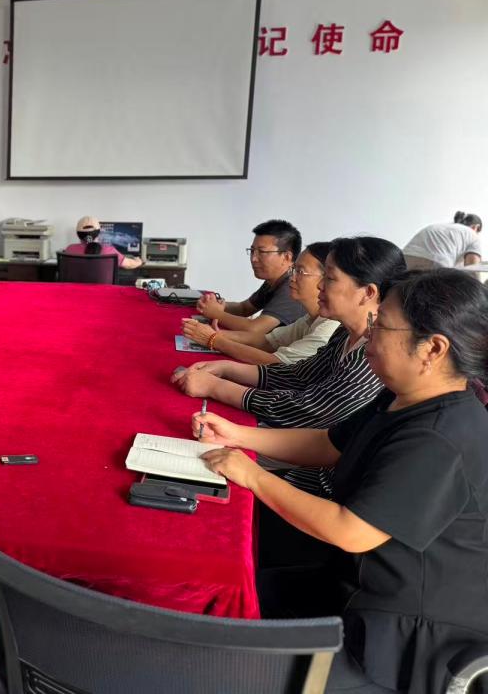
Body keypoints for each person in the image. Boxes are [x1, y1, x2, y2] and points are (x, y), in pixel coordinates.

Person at [195, 269, 488, 694]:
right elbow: (328, 443)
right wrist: (237, 435)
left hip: (398, 635)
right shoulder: (401, 396)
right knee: (219, 598)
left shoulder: (441, 436)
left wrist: (253, 475)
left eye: (381, 325)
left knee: (227, 664)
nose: (368, 333)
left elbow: (351, 530)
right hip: (348, 582)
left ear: (433, 349)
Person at [173, 236, 406, 430]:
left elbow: (306, 409)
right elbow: (299, 375)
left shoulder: (370, 355)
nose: (320, 286)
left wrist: (216, 386)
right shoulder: (344, 334)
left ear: (368, 293)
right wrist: (226, 368)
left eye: (330, 278)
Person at [181, 242, 340, 365]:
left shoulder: (329, 328)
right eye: (252, 251)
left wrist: (215, 338)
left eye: (300, 271)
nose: (254, 259)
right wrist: (217, 334)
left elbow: (275, 362)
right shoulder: (309, 318)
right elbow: (266, 341)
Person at [195, 219, 306, 334]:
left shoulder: (292, 286)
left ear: (286, 257)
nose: (254, 259)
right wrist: (216, 304)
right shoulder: (274, 280)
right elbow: (244, 308)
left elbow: (255, 329)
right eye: (252, 251)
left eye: (262, 252)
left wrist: (216, 313)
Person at [402, 211, 482, 269]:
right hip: (434, 263)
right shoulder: (472, 234)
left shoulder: (439, 226)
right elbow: (472, 268)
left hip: (404, 259)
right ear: (476, 227)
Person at [63, 216, 143, 269]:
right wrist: (138, 261)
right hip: (102, 290)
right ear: (99, 232)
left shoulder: (70, 249)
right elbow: (129, 264)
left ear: (78, 234)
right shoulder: (109, 251)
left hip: (75, 289)